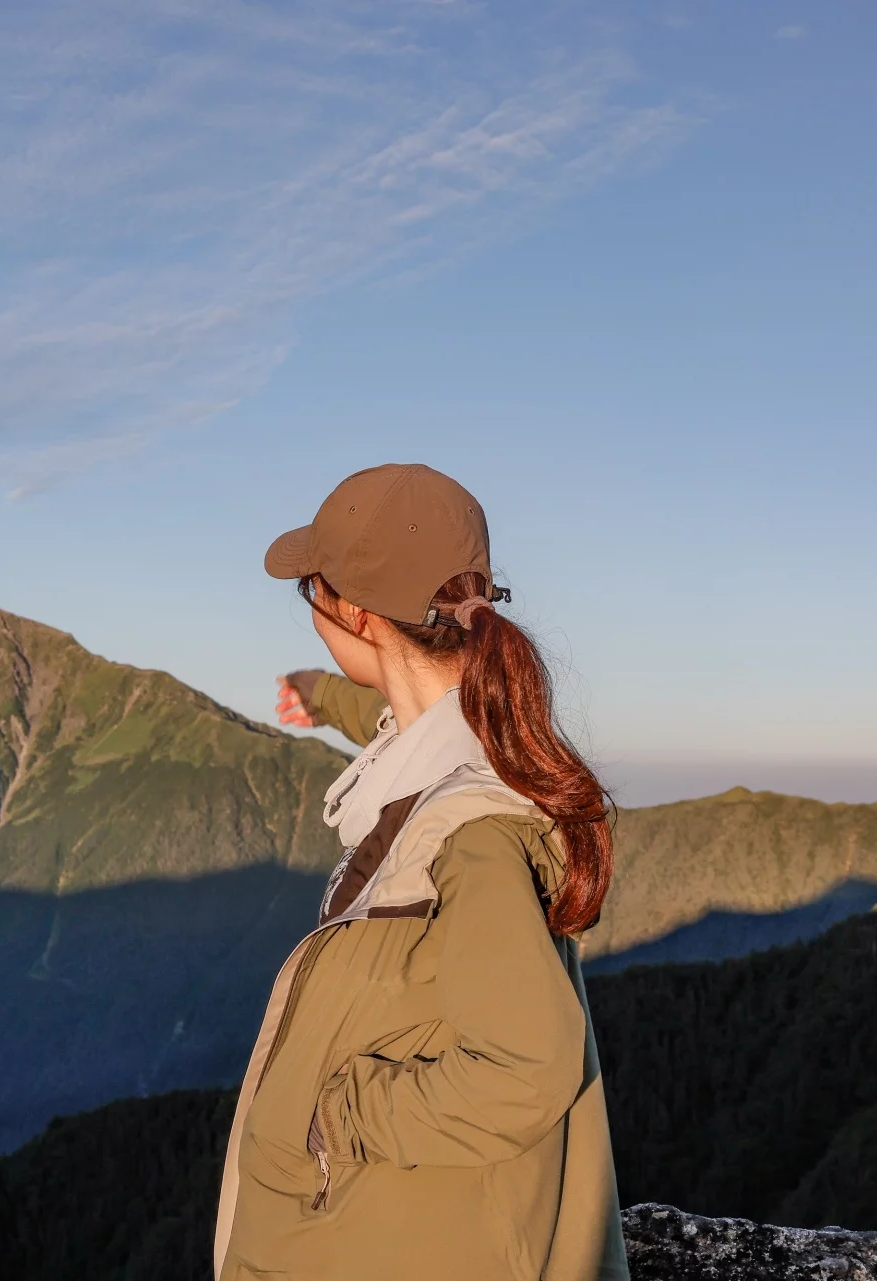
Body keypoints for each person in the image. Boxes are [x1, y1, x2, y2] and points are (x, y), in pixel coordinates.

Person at [215, 463, 629, 1281]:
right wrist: (318, 695)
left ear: (354, 612)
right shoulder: (475, 741)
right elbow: (400, 710)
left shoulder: (471, 834)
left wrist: (339, 1116)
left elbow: (530, 1066)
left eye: (313, 595)